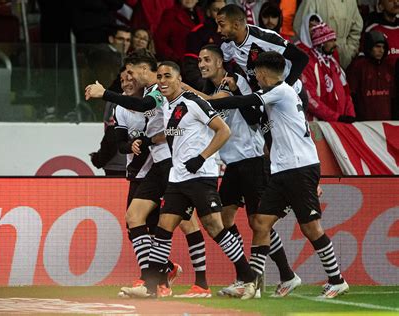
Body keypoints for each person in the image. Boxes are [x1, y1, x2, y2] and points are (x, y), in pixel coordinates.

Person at [87, 60, 259, 300]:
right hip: (177, 177)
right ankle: (149, 286)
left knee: (214, 227)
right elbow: (167, 132)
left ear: (179, 80)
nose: (163, 81)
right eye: (160, 77)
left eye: (168, 76)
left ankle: (249, 278)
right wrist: (147, 141)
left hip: (200, 175)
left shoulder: (193, 103)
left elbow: (224, 131)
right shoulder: (167, 106)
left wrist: (202, 157)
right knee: (163, 230)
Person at [209, 51, 349, 299]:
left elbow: (243, 103)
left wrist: (205, 103)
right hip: (282, 170)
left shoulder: (280, 91)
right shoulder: (277, 97)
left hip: (298, 169)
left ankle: (337, 280)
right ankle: (254, 284)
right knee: (261, 223)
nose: (256, 78)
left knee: (311, 228)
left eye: (256, 75)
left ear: (261, 74)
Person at [86, 50, 212, 298]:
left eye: (130, 73)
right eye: (124, 76)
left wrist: (105, 94)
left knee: (191, 223)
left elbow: (148, 108)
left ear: (143, 70)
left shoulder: (158, 88)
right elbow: (125, 135)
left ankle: (189, 282)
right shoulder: (134, 99)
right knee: (141, 220)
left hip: (174, 163)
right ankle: (156, 280)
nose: (127, 78)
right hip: (158, 164)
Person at [186, 44, 300, 298]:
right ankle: (249, 276)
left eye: (207, 59)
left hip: (251, 159)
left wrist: (185, 90)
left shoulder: (233, 80)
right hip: (233, 163)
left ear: (219, 63)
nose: (202, 64)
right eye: (200, 60)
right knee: (225, 220)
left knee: (257, 221)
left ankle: (278, 276)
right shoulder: (212, 88)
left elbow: (221, 103)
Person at [216, 4, 309, 108]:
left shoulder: (265, 38)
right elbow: (223, 65)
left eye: (222, 25)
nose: (218, 30)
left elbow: (302, 58)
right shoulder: (226, 45)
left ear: (236, 25)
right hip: (265, 98)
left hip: (292, 95)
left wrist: (284, 88)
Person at [301, 23, 356, 122]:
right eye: (330, 41)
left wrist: (350, 116)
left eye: (334, 40)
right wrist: (336, 117)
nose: (335, 44)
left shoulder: (334, 64)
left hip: (339, 123)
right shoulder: (308, 64)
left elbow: (346, 92)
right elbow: (310, 100)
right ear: (321, 43)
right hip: (318, 125)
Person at [293, 0, 363, 69]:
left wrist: (349, 51)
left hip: (344, 56)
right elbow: (302, 29)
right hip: (319, 57)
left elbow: (357, 28)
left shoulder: (351, 2)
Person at [347, 30, 395, 121]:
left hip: (386, 123)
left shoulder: (388, 67)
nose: (381, 50)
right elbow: (351, 96)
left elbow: (393, 98)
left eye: (383, 47)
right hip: (365, 124)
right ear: (369, 47)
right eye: (377, 47)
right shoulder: (357, 66)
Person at [182, 0, 226, 91]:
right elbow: (191, 67)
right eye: (216, 10)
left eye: (223, 10)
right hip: (205, 88)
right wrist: (208, 88)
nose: (221, 14)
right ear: (208, 12)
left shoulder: (230, 32)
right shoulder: (197, 33)